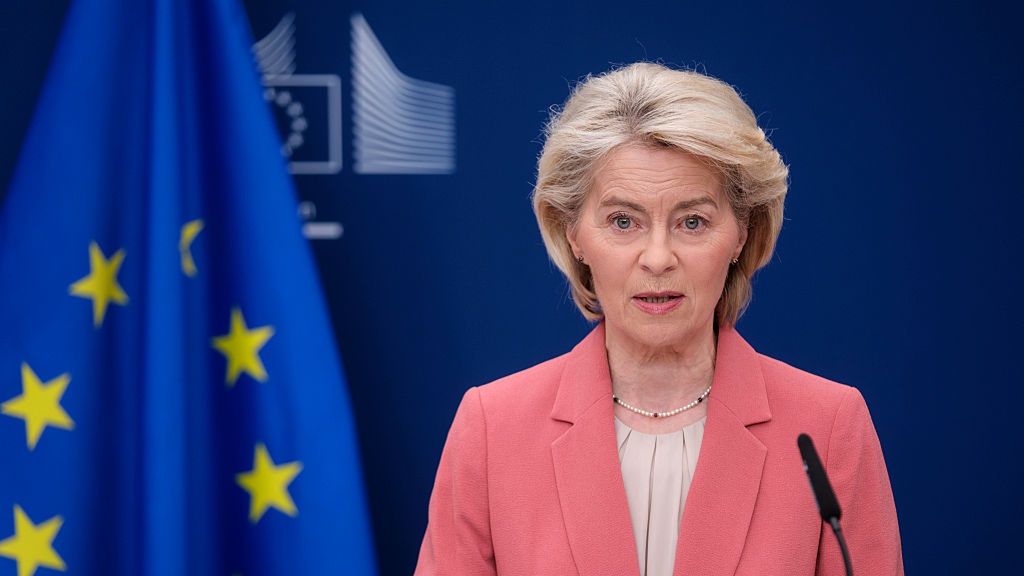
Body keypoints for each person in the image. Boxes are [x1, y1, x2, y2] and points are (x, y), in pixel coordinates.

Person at [415, 62, 903, 576]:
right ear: (573, 233)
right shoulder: (493, 430)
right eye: (623, 221)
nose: (657, 258)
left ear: (741, 234)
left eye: (692, 221)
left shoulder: (827, 427)